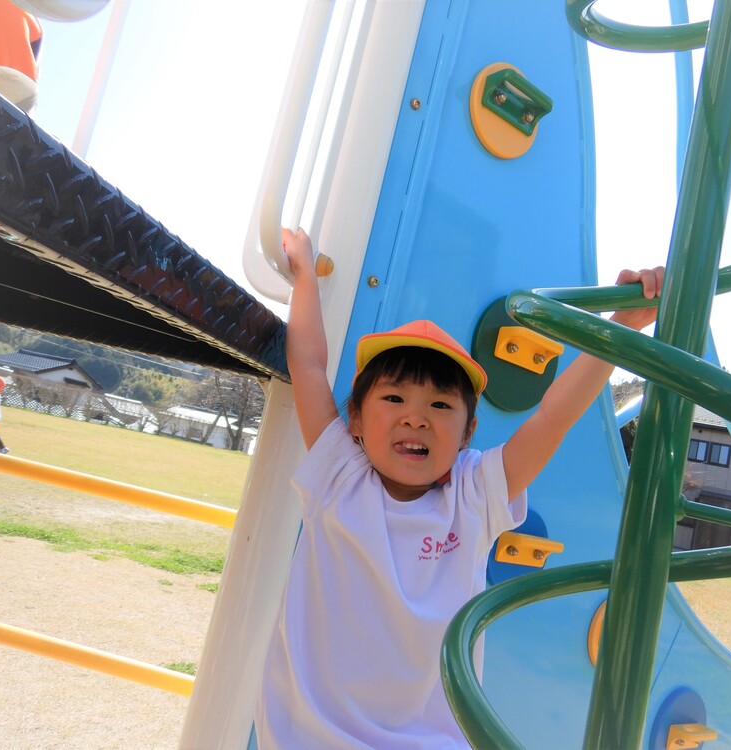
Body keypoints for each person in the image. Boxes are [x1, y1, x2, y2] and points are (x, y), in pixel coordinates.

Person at [254, 228, 663, 749]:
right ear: (355, 417)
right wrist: (305, 276)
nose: (416, 419)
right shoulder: (340, 473)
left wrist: (622, 327)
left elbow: (555, 415)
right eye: (394, 400)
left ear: (468, 432)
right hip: (310, 738)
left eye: (441, 406)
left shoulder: (474, 495)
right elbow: (308, 365)